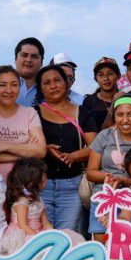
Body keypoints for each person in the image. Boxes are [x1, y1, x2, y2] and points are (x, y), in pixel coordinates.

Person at [85, 96, 131, 241]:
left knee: (128, 244)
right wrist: (110, 177)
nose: (125, 120)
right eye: (120, 115)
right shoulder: (104, 136)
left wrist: (124, 180)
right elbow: (90, 173)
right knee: (102, 243)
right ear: (114, 117)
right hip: (104, 199)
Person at [35, 64, 99, 232]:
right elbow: (26, 145)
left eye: (57, 80)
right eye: (46, 83)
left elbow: (96, 147)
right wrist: (44, 148)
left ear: (66, 83)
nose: (53, 86)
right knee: (43, 236)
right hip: (40, 185)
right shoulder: (32, 113)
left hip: (72, 186)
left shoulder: (82, 112)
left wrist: (73, 156)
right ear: (40, 88)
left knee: (67, 236)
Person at [0, 157, 84, 256]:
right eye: (42, 173)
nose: (45, 176)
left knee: (64, 239)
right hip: (25, 235)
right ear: (31, 180)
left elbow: (45, 222)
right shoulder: (22, 202)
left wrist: (54, 234)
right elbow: (23, 225)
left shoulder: (38, 200)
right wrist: (38, 239)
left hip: (37, 232)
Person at [0, 66, 46, 179]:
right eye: (2, 85)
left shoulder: (29, 113)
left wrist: (2, 146)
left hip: (24, 183)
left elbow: (41, 150)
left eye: (14, 85)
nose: (9, 90)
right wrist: (25, 152)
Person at [0, 38, 45, 106]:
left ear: (41, 62)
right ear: (15, 59)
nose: (29, 60)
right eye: (24, 55)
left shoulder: (48, 89)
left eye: (34, 57)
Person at [82, 57, 120, 130]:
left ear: (118, 75)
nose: (106, 78)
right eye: (101, 75)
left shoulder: (125, 99)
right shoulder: (89, 101)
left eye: (110, 74)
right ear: (95, 78)